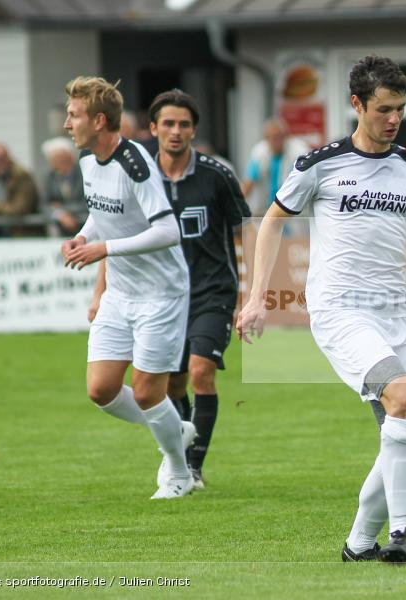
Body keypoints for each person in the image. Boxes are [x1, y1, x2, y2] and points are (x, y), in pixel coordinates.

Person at [236, 56, 406, 563]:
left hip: (395, 314)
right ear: (357, 104)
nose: (393, 119)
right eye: (383, 109)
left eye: (400, 109)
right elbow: (271, 222)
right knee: (404, 397)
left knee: (401, 419)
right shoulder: (320, 163)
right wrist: (257, 295)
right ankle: (403, 531)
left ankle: (357, 545)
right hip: (339, 310)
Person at [61, 75, 195, 500]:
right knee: (100, 390)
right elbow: (103, 213)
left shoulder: (135, 163)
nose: (67, 124)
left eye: (74, 115)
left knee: (146, 391)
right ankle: (176, 428)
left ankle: (178, 471)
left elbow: (168, 231)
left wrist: (104, 249)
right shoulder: (87, 163)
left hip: (161, 293)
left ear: (99, 121)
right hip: (121, 292)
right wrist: (85, 236)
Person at [147, 88, 251, 490]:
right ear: (153, 128)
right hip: (162, 295)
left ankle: (193, 468)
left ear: (194, 130)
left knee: (201, 373)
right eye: (168, 124)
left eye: (184, 124)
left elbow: (248, 228)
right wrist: (100, 292)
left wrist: (253, 290)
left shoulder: (216, 175)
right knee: (170, 385)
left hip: (213, 292)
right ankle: (178, 459)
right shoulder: (142, 177)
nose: (176, 131)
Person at [0, 140, 44, 238]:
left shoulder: (21, 175)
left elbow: (19, 210)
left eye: (0, 159)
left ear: (7, 157)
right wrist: (1, 208)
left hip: (21, 234)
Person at [241, 119, 309, 216]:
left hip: (293, 211)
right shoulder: (259, 152)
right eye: (270, 138)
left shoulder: (299, 151)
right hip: (265, 209)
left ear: (286, 136)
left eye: (278, 137)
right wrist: (238, 205)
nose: (274, 141)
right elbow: (248, 183)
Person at [41, 136, 87, 236]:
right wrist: (60, 215)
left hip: (85, 226)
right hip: (60, 230)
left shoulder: (84, 174)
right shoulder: (49, 177)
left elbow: (87, 202)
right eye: (54, 159)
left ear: (71, 157)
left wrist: (63, 210)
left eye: (62, 158)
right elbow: (44, 205)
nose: (59, 162)